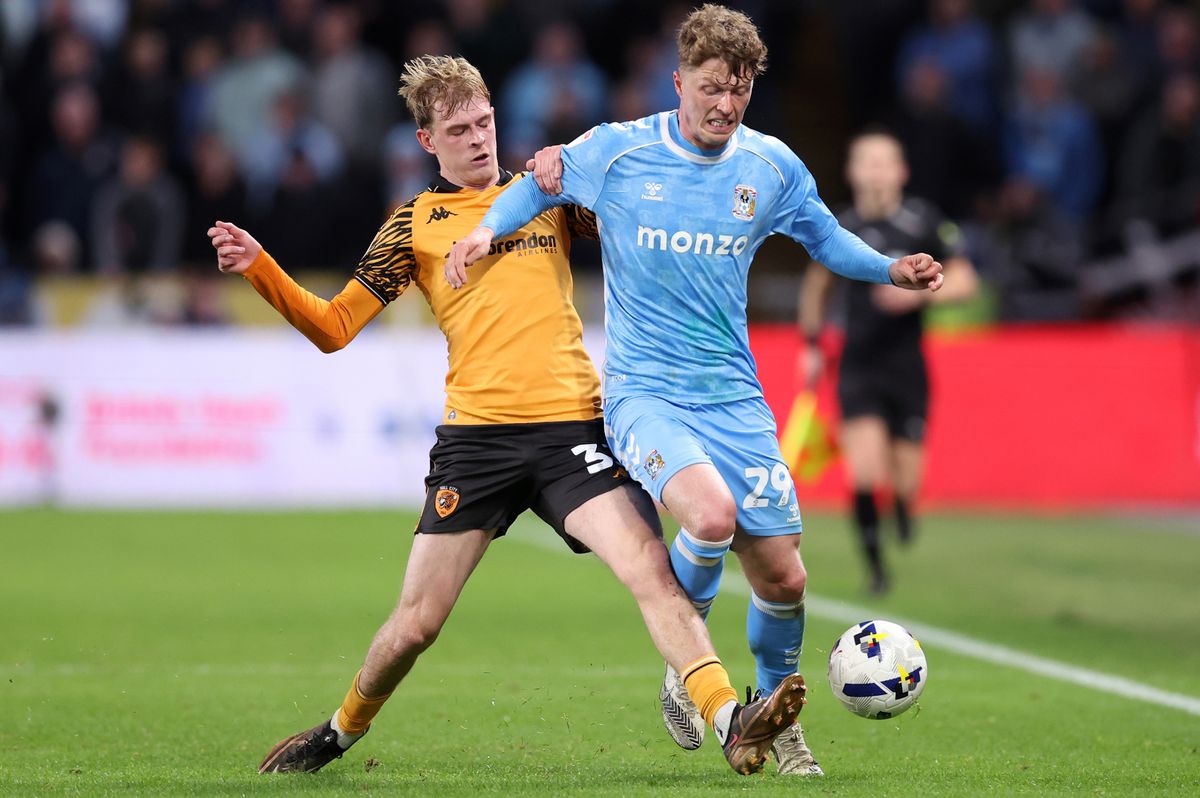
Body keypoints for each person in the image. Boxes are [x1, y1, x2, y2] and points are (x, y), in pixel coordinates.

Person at [209, 55, 804, 778]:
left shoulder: (546, 195)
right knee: (416, 625)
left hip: (571, 433)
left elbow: (639, 209)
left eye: (485, 121)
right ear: (427, 141)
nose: (479, 138)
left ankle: (729, 721)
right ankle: (338, 732)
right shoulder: (415, 226)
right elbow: (336, 328)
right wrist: (263, 267)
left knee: (652, 567)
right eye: (458, 129)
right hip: (476, 445)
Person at [444, 4, 944, 778]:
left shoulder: (771, 167)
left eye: (739, 90)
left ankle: (779, 725)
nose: (725, 104)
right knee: (709, 515)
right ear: (678, 81)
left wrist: (890, 267)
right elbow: (532, 191)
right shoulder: (618, 152)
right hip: (645, 394)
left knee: (786, 573)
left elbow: (823, 236)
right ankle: (691, 666)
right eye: (712, 87)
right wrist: (482, 233)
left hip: (735, 398)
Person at [798, 130, 978, 595]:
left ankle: (903, 505)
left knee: (905, 478)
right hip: (858, 364)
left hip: (907, 367)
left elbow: (966, 281)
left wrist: (915, 301)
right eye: (866, 162)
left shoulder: (923, 223)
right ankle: (876, 570)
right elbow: (818, 286)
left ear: (901, 172)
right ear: (852, 172)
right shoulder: (841, 225)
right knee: (864, 471)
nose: (876, 172)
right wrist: (813, 344)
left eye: (885, 163)